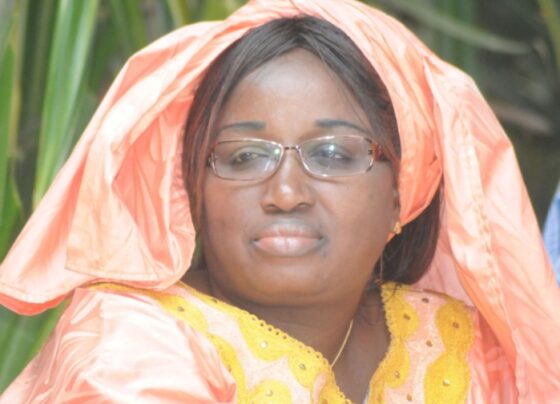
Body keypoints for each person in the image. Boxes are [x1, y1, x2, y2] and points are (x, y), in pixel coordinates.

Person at [0, 0, 558, 402]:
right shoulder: (126, 346)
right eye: (245, 156)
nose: (286, 194)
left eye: (334, 153)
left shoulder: (464, 347)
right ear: (194, 189)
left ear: (401, 193)